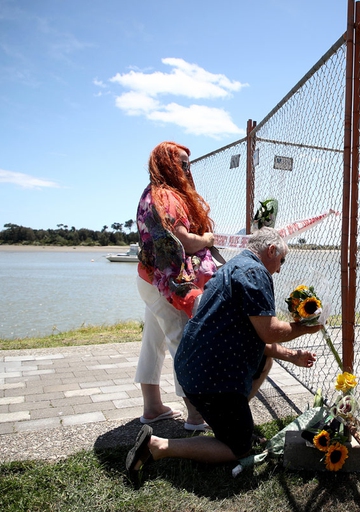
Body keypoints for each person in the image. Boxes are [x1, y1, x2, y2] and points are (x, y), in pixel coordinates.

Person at [126, 227, 322, 476]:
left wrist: (292, 355)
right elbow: (269, 331)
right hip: (212, 379)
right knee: (239, 448)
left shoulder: (235, 265)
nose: (280, 268)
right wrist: (304, 328)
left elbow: (254, 336)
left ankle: (230, 420)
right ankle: (158, 446)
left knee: (264, 362)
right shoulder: (255, 272)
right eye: (281, 260)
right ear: (271, 250)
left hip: (195, 369)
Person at [134, 141, 216, 429]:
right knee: (183, 343)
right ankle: (195, 416)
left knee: (153, 342)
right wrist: (207, 240)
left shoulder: (150, 194)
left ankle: (153, 407)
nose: (186, 169)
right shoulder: (168, 197)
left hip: (148, 279)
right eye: (182, 163)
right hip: (169, 286)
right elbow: (185, 240)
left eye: (187, 164)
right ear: (167, 165)